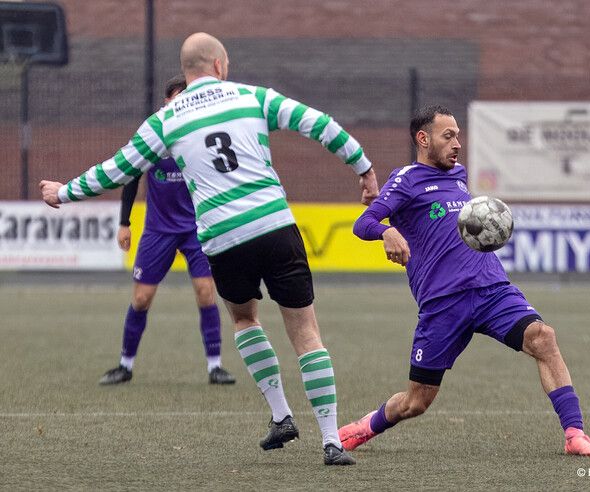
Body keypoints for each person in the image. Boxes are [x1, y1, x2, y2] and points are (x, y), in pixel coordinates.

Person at [39, 32, 379, 466]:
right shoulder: (253, 97)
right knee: (306, 332)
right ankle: (332, 442)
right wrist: (363, 168)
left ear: (186, 70)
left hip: (223, 238)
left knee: (243, 318)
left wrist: (62, 192)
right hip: (274, 225)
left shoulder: (165, 119)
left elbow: (115, 170)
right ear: (220, 64)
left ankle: (281, 415)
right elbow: (320, 123)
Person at [339, 105, 590, 457]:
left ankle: (575, 434)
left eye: (458, 136)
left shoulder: (460, 175)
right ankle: (365, 427)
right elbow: (363, 224)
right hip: (442, 304)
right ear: (423, 139)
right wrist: (387, 232)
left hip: (491, 289)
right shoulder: (406, 180)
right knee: (416, 402)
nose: (457, 144)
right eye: (448, 136)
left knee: (543, 337)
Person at [99, 74, 236, 386]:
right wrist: (124, 223)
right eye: (174, 98)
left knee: (205, 293)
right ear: (166, 101)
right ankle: (125, 364)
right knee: (142, 298)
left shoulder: (200, 136)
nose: (179, 103)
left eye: (184, 97)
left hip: (196, 230)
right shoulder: (154, 136)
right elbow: (131, 176)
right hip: (158, 231)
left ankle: (215, 366)